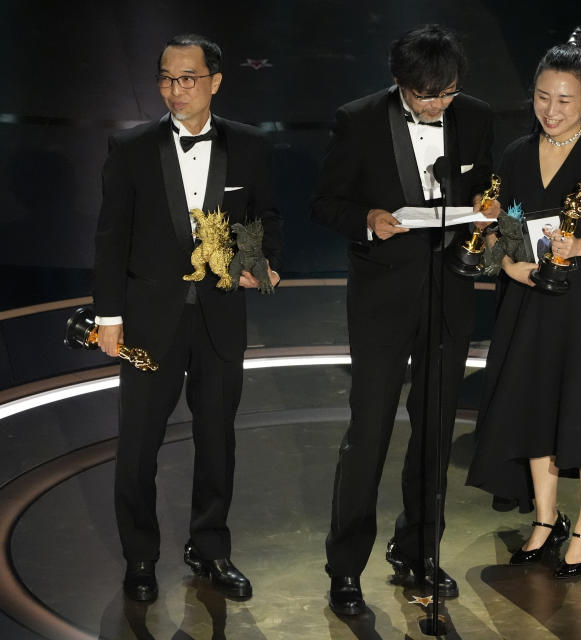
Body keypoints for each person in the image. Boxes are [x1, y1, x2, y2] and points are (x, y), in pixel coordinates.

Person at [310, 24, 496, 616]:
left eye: (446, 93)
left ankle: (418, 552)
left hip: (451, 296)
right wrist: (369, 217)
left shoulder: (476, 116)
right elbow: (326, 202)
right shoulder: (358, 119)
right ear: (399, 84)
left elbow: (488, 186)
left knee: (436, 430)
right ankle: (344, 572)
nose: (439, 104)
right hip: (382, 300)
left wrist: (488, 211)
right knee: (369, 435)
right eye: (425, 96)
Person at [94, 33, 282, 602]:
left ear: (215, 82)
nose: (176, 90)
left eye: (188, 79)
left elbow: (268, 218)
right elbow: (110, 238)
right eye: (167, 79)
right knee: (139, 447)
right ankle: (141, 558)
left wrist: (265, 263)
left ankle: (211, 549)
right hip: (149, 321)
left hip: (220, 319)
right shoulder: (129, 149)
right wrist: (108, 316)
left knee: (217, 442)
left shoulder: (250, 146)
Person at [466, 40, 581, 579]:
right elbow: (503, 225)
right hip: (526, 299)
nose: (551, 109)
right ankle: (546, 518)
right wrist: (508, 263)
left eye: (565, 100)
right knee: (534, 405)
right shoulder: (517, 154)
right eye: (543, 97)